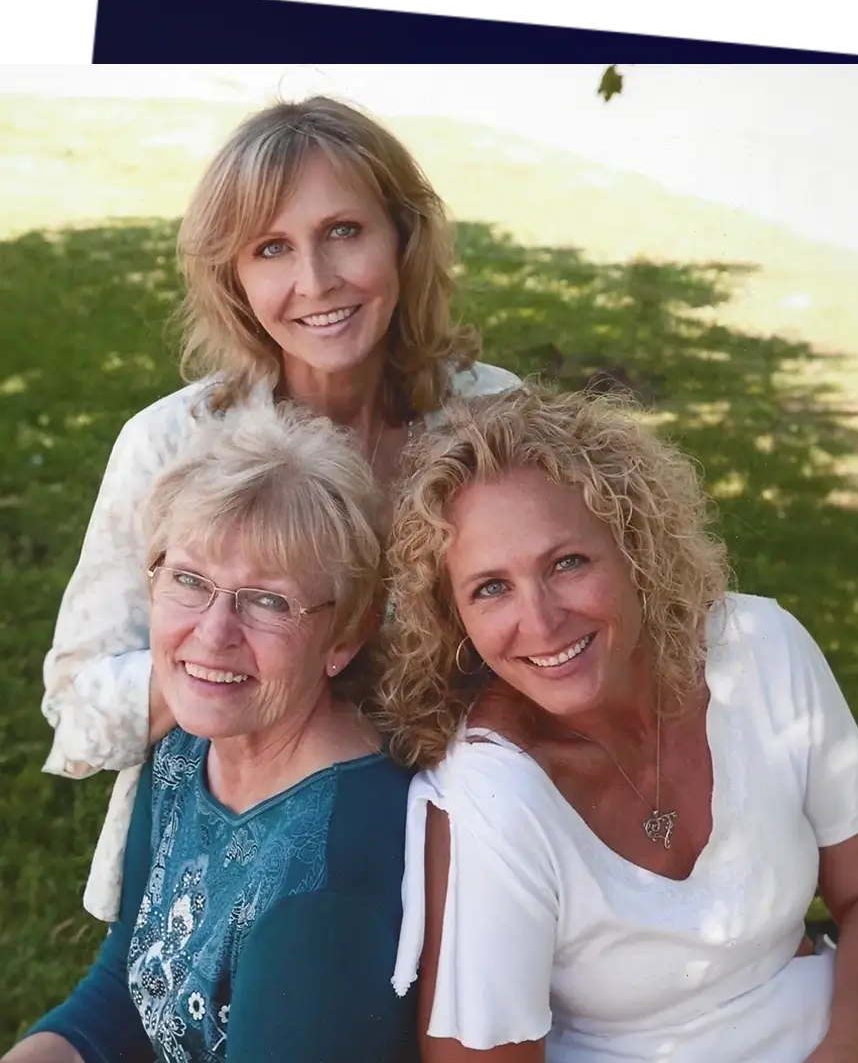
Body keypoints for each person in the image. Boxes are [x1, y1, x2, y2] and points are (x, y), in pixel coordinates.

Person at [38, 94, 520, 922]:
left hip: (457, 853)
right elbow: (76, 705)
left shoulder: (494, 420)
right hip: (219, 872)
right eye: (271, 249)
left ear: (403, 237)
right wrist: (219, 659)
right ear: (234, 278)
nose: (315, 282)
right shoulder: (172, 445)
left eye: (343, 231)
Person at [379, 386, 858, 1063]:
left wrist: (852, 1043)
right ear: (456, 619)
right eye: (490, 588)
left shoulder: (761, 651)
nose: (541, 621)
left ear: (633, 549)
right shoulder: (492, 795)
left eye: (566, 563)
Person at [5, 404, 417, 1063]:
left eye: (268, 600)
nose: (213, 633)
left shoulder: (329, 879)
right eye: (190, 581)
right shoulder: (189, 743)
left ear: (345, 635)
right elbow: (125, 992)